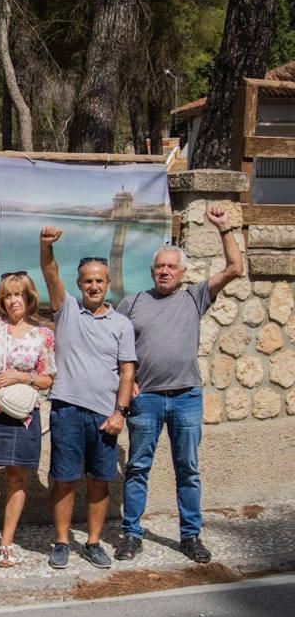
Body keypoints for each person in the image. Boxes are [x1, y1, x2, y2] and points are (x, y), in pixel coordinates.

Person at [115, 204, 242, 564]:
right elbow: (112, 345)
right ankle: (131, 534)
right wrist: (123, 382)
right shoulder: (134, 302)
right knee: (138, 468)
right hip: (147, 400)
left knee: (188, 469)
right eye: (160, 266)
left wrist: (224, 229)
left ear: (183, 272)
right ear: (152, 270)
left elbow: (235, 268)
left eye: (172, 266)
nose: (165, 271)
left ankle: (190, 536)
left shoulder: (194, 297)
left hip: (187, 397)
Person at [38, 227, 137, 569]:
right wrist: (46, 247)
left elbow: (127, 372)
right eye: (87, 281)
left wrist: (120, 412)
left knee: (99, 480)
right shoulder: (66, 311)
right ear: (79, 285)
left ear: (107, 284)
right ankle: (62, 541)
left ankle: (93, 542)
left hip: (104, 416)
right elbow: (49, 273)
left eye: (99, 281)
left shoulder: (122, 324)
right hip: (66, 410)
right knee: (64, 480)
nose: (93, 286)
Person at [0, 266, 56, 568]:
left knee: (17, 477)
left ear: (29, 297)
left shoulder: (43, 334)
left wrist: (21, 376)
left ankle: (7, 542)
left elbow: (48, 378)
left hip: (21, 412)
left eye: (18, 294)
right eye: (7, 296)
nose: (13, 300)